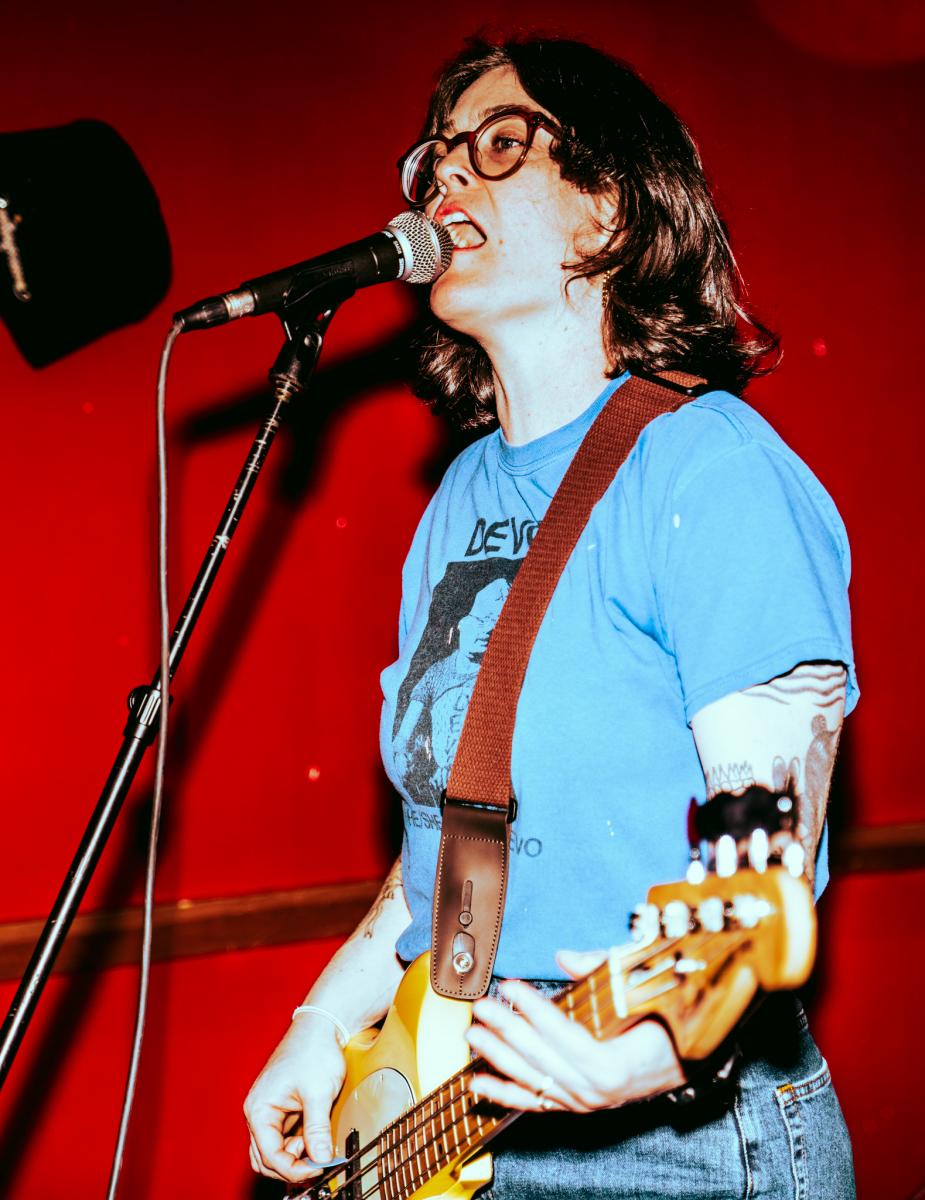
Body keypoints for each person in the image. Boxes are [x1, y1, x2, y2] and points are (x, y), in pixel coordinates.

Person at [245, 35, 858, 1199]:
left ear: (607, 208)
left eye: (499, 144)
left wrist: (655, 1049)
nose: (443, 177)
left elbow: (767, 844)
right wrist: (324, 1023)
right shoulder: (461, 496)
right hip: (458, 1098)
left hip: (673, 1138)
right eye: (435, 156)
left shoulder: (707, 468)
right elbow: (448, 829)